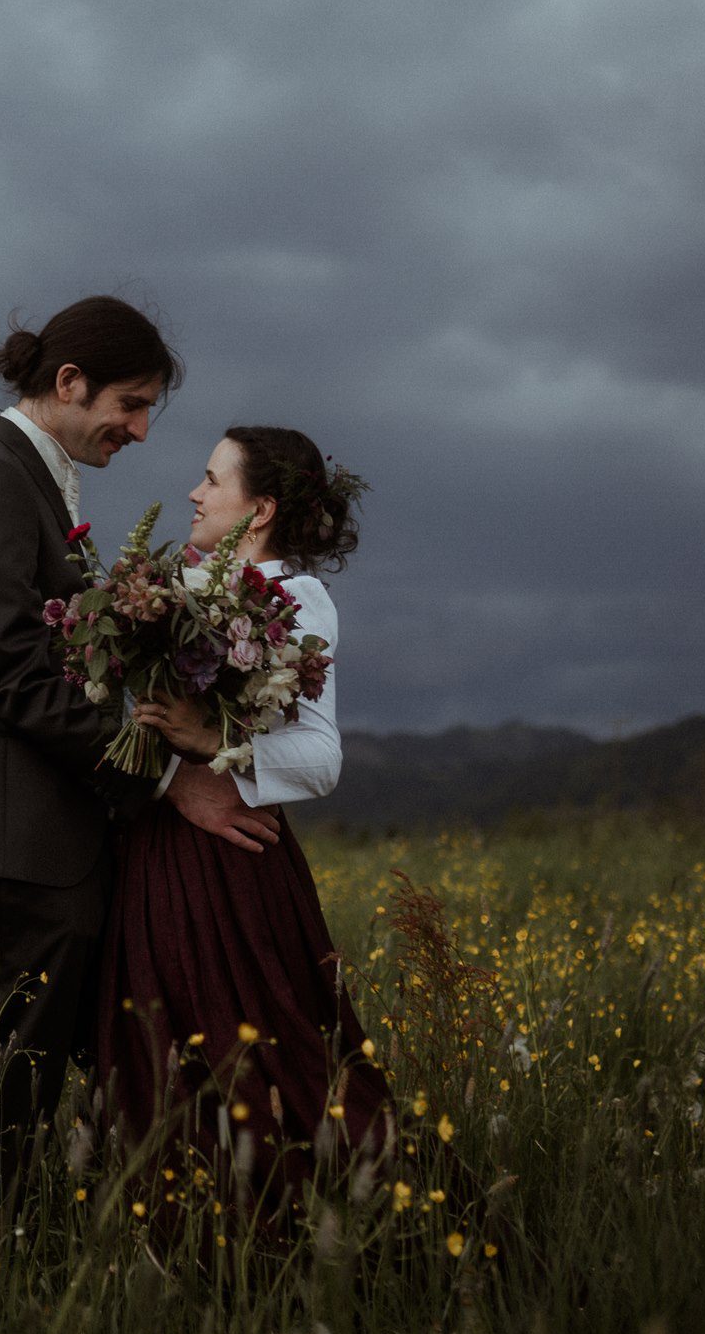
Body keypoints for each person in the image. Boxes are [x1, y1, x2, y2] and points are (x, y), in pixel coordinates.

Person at [0, 297, 281, 1250]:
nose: (140, 432)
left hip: (38, 822)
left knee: (31, 1062)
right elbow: (17, 676)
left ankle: (7, 1245)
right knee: (11, 1068)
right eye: (131, 405)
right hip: (5, 825)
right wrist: (165, 780)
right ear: (68, 384)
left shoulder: (32, 479)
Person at [95, 425, 447, 1235]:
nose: (193, 492)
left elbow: (321, 758)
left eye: (211, 479)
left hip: (236, 859)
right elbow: (141, 726)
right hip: (156, 846)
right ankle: (175, 1241)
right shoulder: (170, 584)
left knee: (264, 1052)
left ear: (260, 509)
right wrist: (166, 765)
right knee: (157, 1050)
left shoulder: (296, 596)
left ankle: (332, 1233)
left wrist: (210, 744)